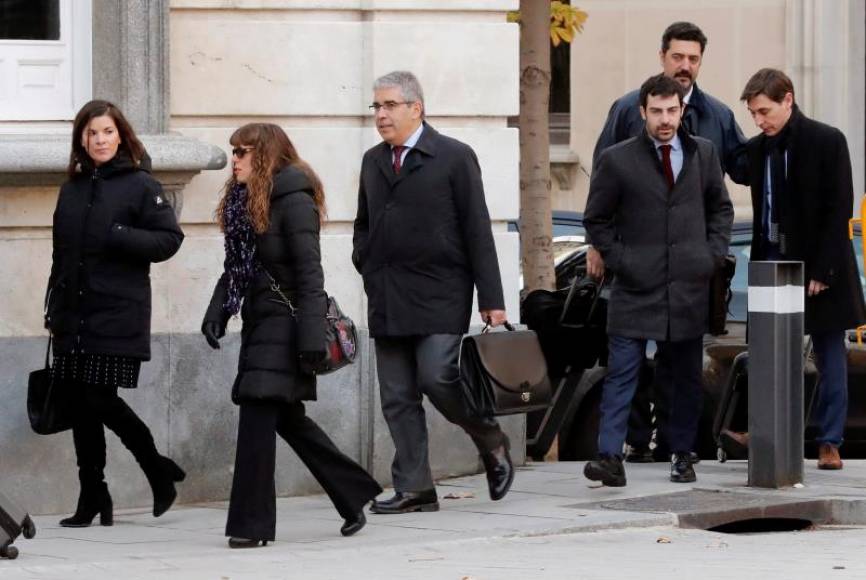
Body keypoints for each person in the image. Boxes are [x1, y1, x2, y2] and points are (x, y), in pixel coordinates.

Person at [202, 123, 382, 548]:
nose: (236, 160)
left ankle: (251, 526)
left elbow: (309, 275)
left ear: (266, 155)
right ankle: (353, 492)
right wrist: (217, 312)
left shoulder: (294, 200)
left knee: (257, 419)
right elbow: (238, 268)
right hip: (261, 324)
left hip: (285, 328)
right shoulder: (248, 201)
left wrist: (309, 342)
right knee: (287, 419)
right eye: (234, 153)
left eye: (244, 152)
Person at [353, 70, 514, 514]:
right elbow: (363, 221)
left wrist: (493, 299)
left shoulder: (454, 156)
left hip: (441, 292)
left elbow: (478, 229)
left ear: (415, 108)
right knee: (397, 396)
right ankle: (416, 489)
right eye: (377, 107)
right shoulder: (373, 160)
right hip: (387, 293)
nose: (381, 115)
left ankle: (490, 439)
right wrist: (364, 260)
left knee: (437, 376)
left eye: (389, 106)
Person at [589, 21, 748, 463]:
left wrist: (711, 255)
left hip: (687, 284)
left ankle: (681, 453)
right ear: (643, 111)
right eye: (656, 112)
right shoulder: (617, 154)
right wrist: (616, 258)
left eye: (671, 112)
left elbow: (722, 206)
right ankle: (610, 457)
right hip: (635, 284)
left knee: (683, 375)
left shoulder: (705, 147)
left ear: (681, 111)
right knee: (624, 372)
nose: (664, 119)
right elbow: (596, 215)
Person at [45, 99, 186, 527]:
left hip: (116, 313)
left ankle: (156, 469)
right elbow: (60, 254)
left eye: (107, 131)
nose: (100, 140)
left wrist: (119, 234)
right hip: (73, 315)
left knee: (98, 399)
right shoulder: (72, 189)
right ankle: (93, 496)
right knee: (81, 410)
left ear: (120, 134)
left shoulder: (142, 185)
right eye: (91, 133)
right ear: (81, 140)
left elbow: (168, 240)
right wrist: (52, 306)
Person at [739, 68, 866, 470]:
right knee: (769, 353)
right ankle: (767, 433)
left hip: (821, 267)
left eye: (764, 111)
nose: (759, 121)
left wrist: (821, 271)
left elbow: (838, 209)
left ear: (787, 100)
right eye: (753, 114)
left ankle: (830, 442)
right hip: (772, 261)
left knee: (830, 356)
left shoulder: (827, 141)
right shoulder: (759, 149)